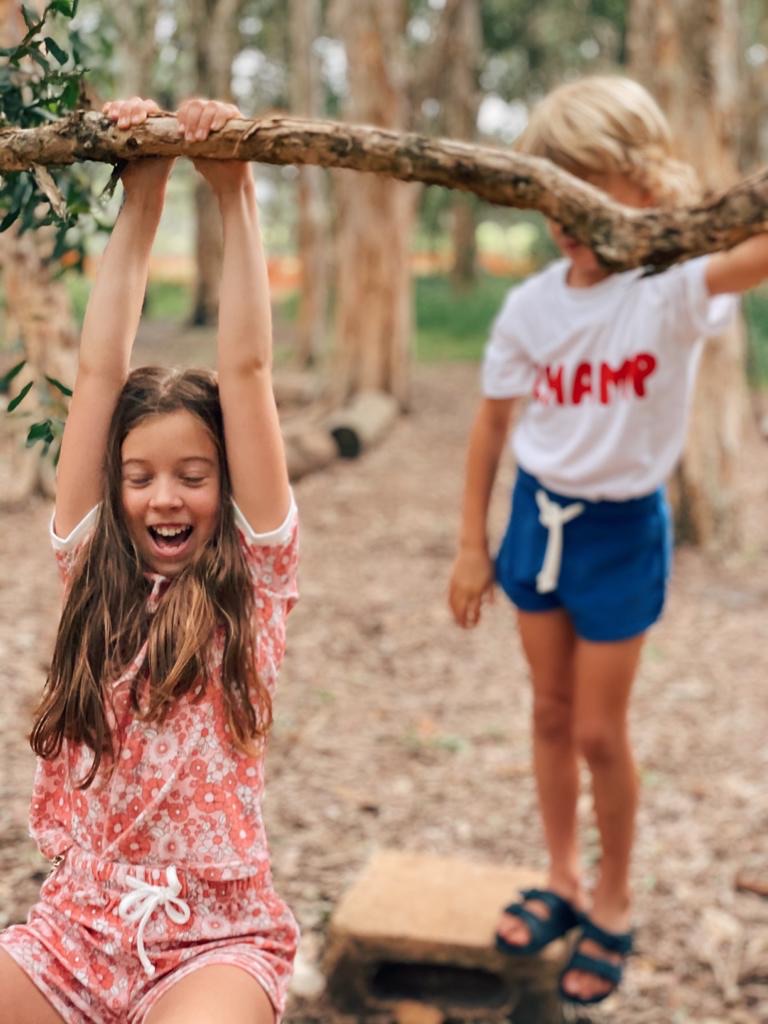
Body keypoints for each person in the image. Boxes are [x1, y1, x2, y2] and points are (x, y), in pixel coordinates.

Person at [448, 75, 768, 1006]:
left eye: (591, 185)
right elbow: (490, 427)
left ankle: (616, 898)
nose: (568, 213)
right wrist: (471, 543)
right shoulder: (531, 310)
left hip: (624, 533)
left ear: (639, 181)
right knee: (548, 715)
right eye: (553, 191)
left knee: (598, 729)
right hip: (538, 522)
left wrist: (678, 219)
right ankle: (564, 878)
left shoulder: (676, 288)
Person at [0, 97, 299, 1024]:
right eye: (140, 477)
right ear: (112, 485)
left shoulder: (256, 581)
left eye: (194, 476)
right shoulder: (89, 567)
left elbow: (246, 372)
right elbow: (99, 372)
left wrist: (232, 187)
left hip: (216, 935)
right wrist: (143, 189)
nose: (165, 497)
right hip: (78, 922)